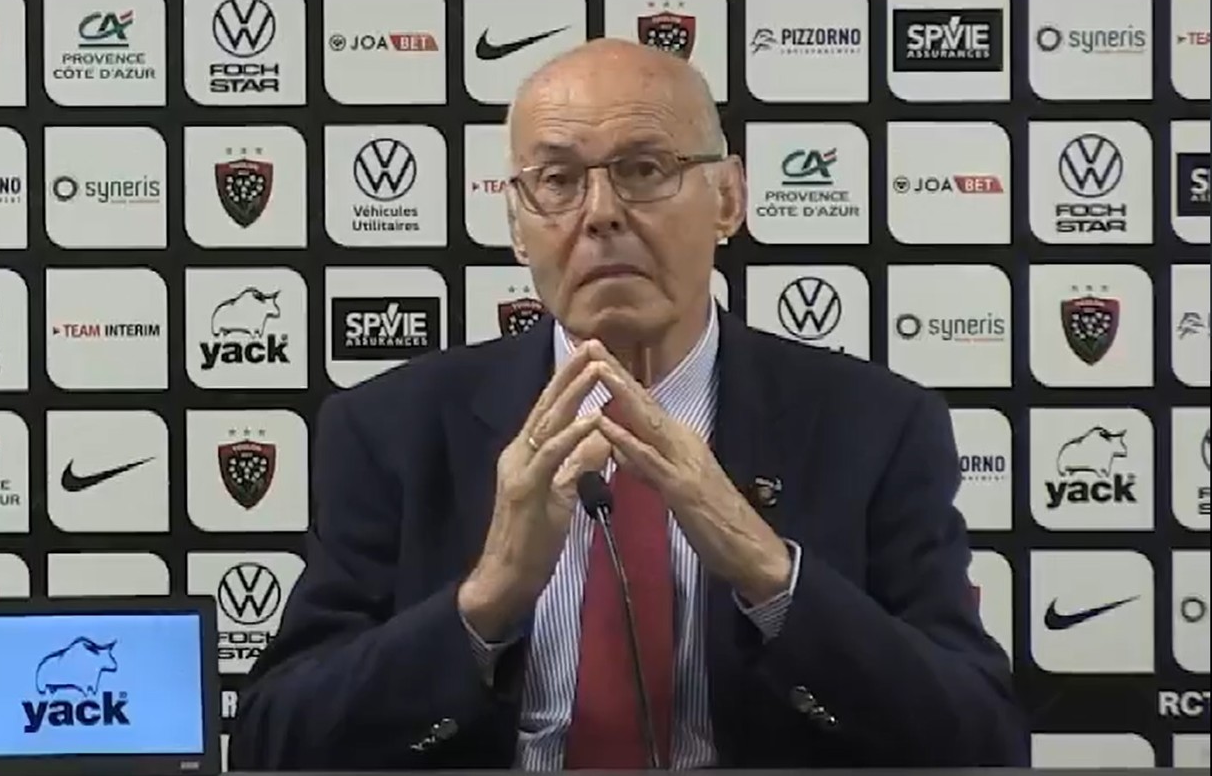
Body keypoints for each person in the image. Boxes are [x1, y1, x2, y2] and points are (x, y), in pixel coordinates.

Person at [229, 39, 1028, 770]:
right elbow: (274, 743)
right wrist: (487, 597)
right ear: (518, 226)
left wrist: (769, 572)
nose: (601, 212)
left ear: (728, 198)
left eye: (644, 168)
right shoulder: (392, 430)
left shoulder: (874, 426)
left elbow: (982, 739)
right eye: (558, 181)